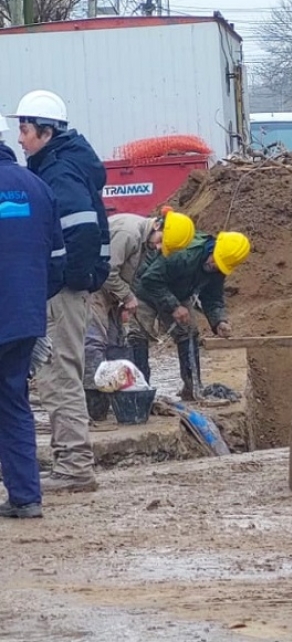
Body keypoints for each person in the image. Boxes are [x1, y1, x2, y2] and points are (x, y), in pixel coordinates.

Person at [12, 89, 111, 494]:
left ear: (46, 132)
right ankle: (71, 461)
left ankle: (74, 467)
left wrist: (60, 279)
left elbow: (81, 231)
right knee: (60, 372)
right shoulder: (65, 164)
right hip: (72, 288)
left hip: (64, 292)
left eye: (25, 130)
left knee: (58, 375)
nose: (20, 140)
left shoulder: (60, 172)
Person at [0, 110, 66, 518]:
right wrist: (29, 303)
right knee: (14, 405)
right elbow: (58, 261)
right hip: (23, 321)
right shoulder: (37, 186)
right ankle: (26, 498)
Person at [84, 208, 196, 426]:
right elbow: (108, 271)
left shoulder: (144, 240)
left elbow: (132, 274)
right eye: (161, 240)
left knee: (116, 343)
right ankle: (93, 404)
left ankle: (112, 400)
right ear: (157, 225)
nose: (158, 246)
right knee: (94, 344)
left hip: (109, 293)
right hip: (93, 289)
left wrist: (127, 298)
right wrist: (127, 297)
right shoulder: (129, 233)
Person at [131, 230, 251, 400]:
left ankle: (192, 389)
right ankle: (140, 393)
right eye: (215, 261)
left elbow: (212, 297)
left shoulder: (218, 268)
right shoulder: (183, 256)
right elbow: (150, 280)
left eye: (220, 265)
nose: (215, 266)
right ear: (213, 250)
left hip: (177, 292)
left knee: (188, 332)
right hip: (147, 289)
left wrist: (219, 321)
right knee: (139, 335)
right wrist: (174, 306)